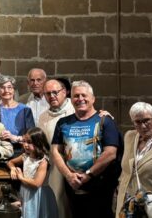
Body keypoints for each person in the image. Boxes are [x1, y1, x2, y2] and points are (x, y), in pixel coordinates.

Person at [51, 81, 122, 218]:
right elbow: (55, 151)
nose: (80, 99)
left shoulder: (105, 121)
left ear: (93, 99)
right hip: (73, 184)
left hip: (100, 185)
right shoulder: (63, 123)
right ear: (71, 99)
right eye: (76, 96)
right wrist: (69, 175)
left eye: (84, 95)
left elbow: (110, 153)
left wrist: (88, 175)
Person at [37, 79, 74, 218]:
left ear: (64, 92)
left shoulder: (75, 110)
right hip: (55, 167)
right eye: (47, 94)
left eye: (55, 92)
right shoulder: (43, 117)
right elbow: (41, 144)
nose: (52, 96)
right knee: (58, 201)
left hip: (76, 164)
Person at [6, 127, 58, 218]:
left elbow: (37, 183)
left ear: (38, 143)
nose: (25, 145)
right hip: (26, 192)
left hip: (38, 195)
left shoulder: (43, 161)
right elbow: (10, 162)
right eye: (24, 141)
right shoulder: (25, 156)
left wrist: (21, 177)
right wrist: (13, 169)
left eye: (29, 142)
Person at [0, 75, 35, 157]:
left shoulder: (25, 109)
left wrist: (14, 137)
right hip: (1, 151)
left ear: (14, 90)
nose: (6, 90)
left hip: (21, 152)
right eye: (2, 88)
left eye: (9, 87)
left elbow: (32, 135)